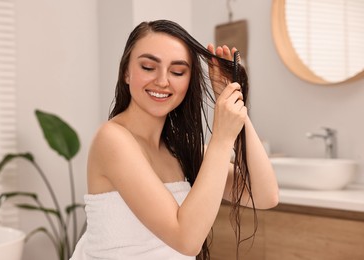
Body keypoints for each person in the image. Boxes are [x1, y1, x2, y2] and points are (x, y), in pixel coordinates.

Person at [70, 19, 279, 260]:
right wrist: (221, 138)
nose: (162, 81)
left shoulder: (178, 150)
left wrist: (232, 101)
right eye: (148, 67)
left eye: (177, 71)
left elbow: (264, 195)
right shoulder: (112, 139)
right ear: (126, 72)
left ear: (189, 81)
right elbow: (187, 240)